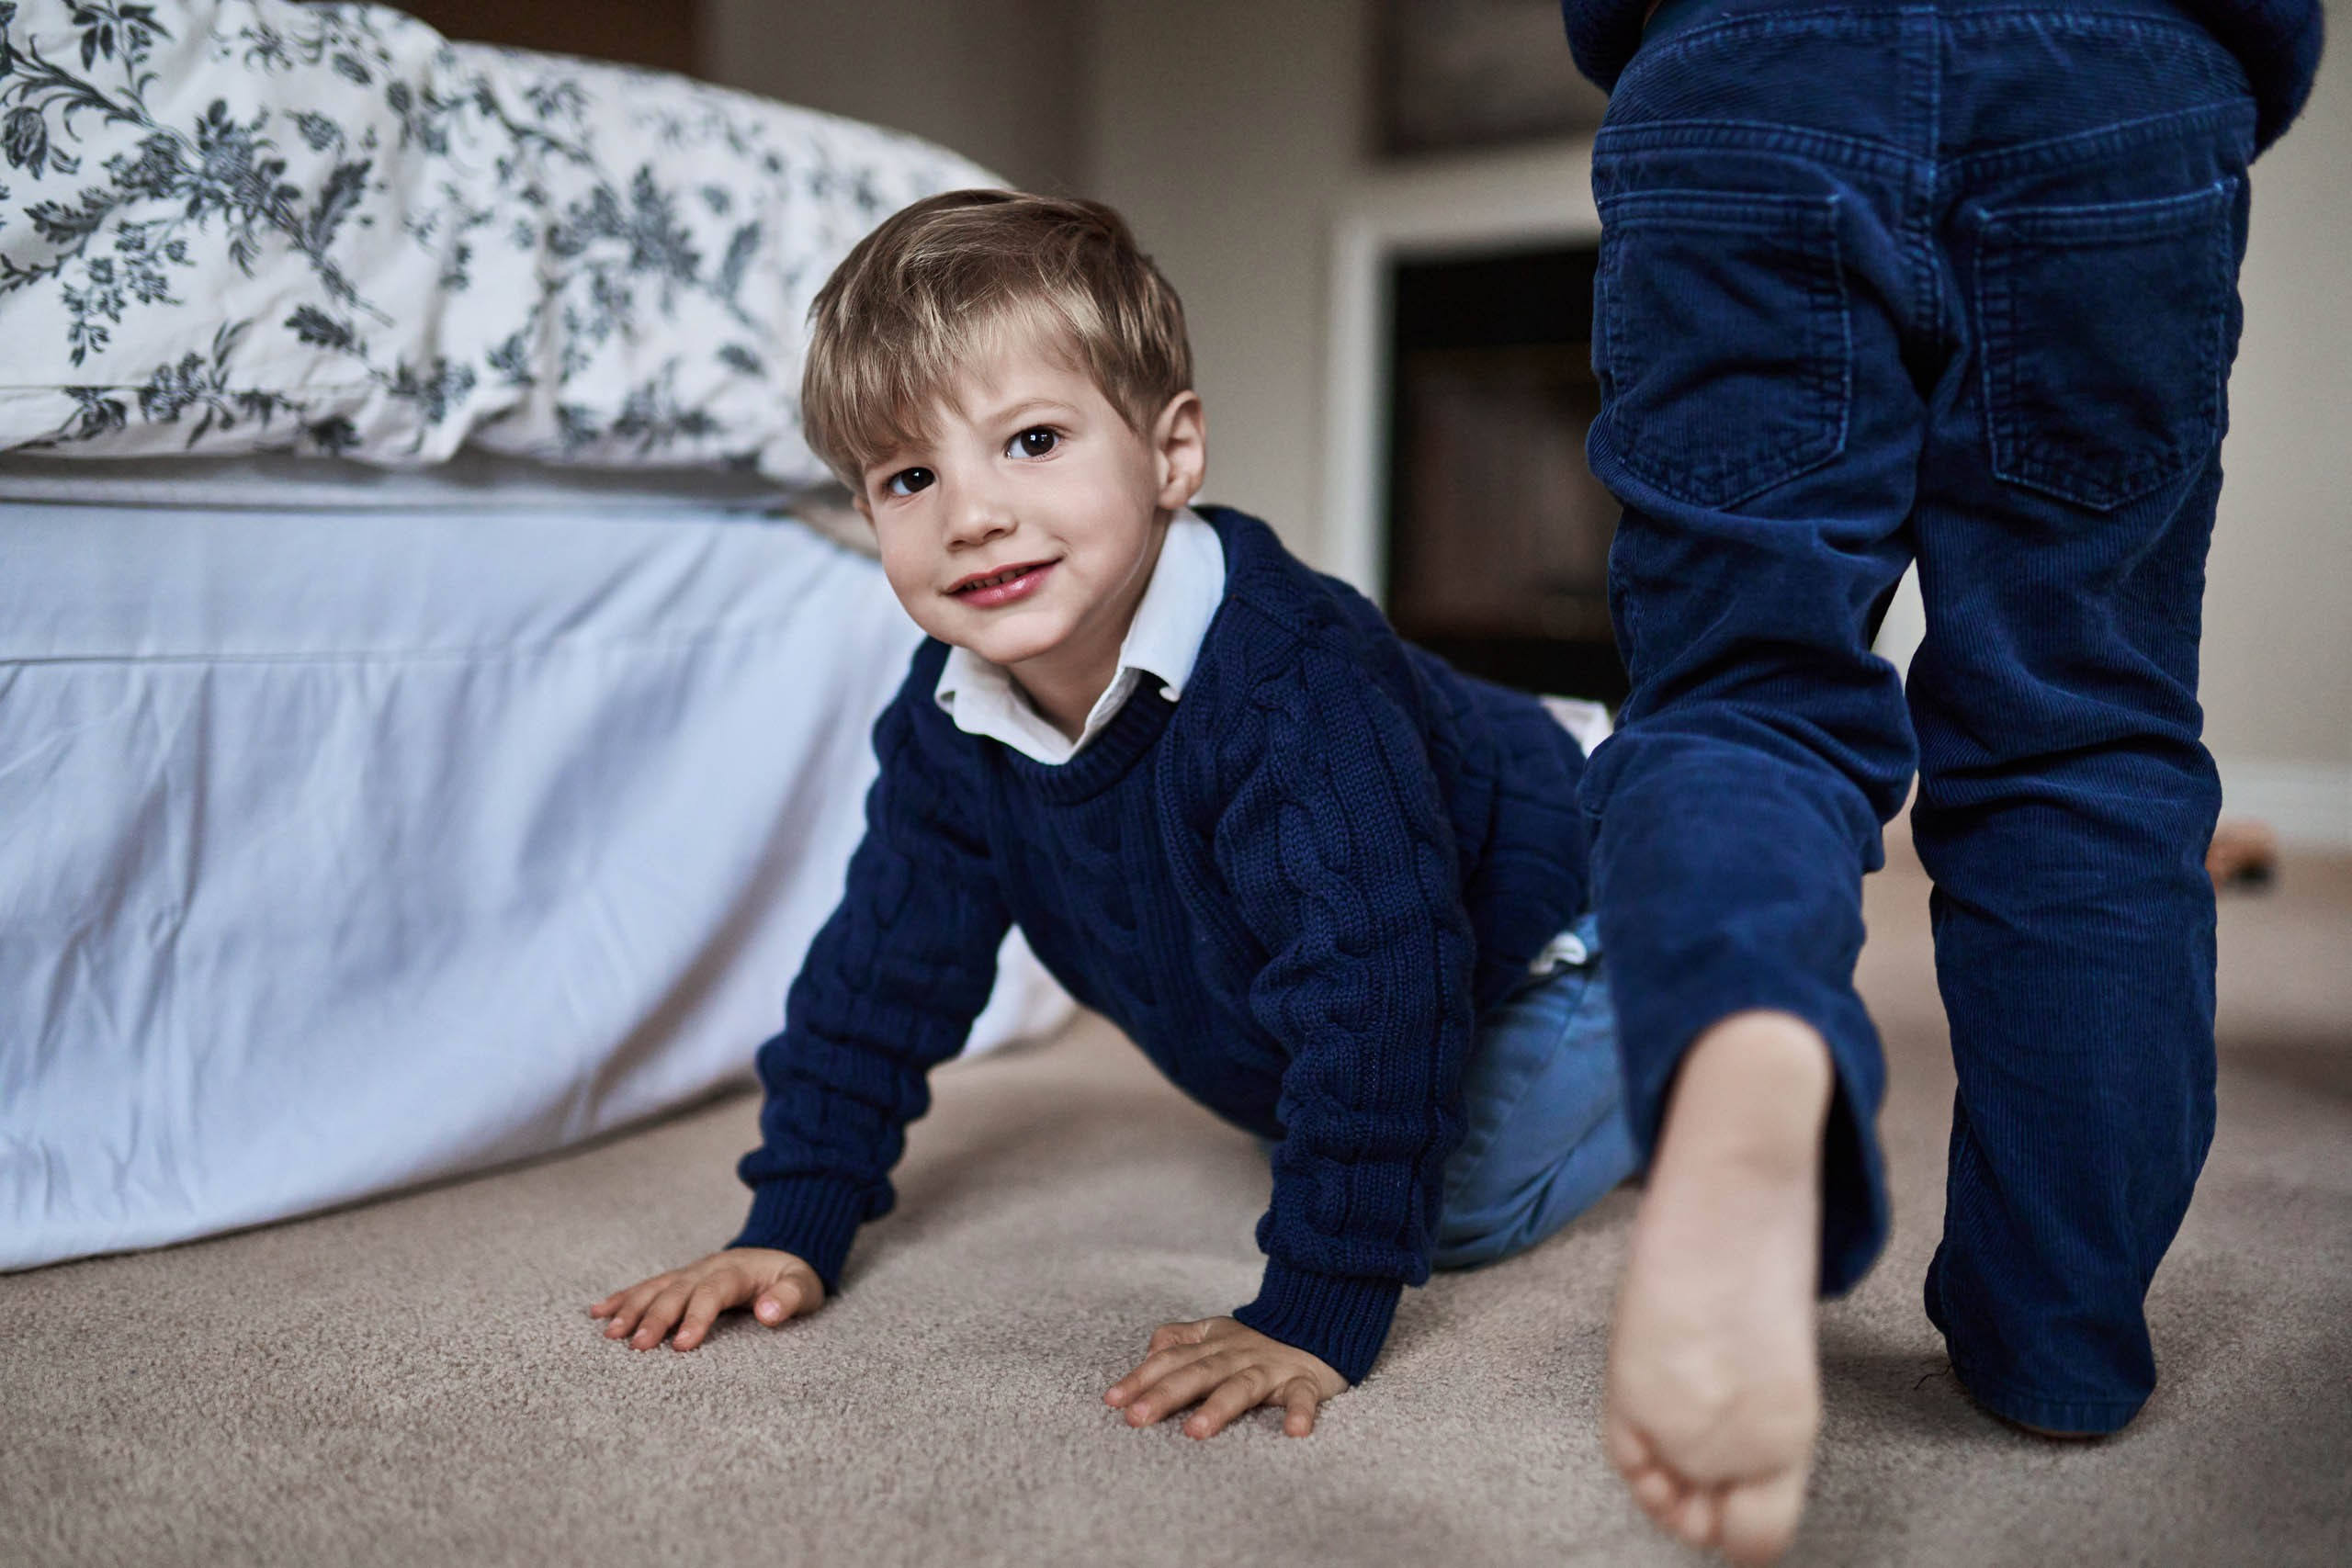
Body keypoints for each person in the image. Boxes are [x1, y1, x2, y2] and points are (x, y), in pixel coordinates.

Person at [589, 189, 1637, 1437]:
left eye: (1032, 441)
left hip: (1578, 901)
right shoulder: (951, 715)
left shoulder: (1292, 685)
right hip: (1410, 895)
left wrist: (1315, 1309)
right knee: (1310, 1102)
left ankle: (1719, 986)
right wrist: (792, 1220)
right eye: (911, 476)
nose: (972, 515)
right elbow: (883, 967)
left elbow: (1381, 982)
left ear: (1172, 454)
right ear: (869, 517)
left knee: (1440, 1197)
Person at [1553, 0, 2324, 1560]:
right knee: (2082, 736)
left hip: (1746, 68)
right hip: (2120, 75)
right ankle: (2058, 1335)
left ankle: (1747, 1036)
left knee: (1741, 704)